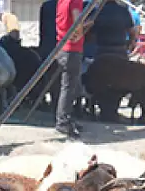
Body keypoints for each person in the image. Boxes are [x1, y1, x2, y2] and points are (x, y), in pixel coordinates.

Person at [55, 0, 84, 138]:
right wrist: (80, 31)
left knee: (68, 87)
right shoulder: (75, 1)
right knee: (68, 87)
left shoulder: (62, 1)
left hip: (62, 46)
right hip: (72, 49)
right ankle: (63, 122)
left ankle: (65, 118)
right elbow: (77, 19)